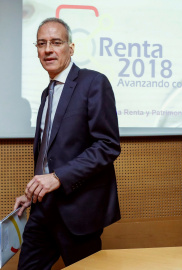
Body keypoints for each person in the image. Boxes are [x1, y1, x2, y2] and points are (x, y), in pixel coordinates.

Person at [13, 17, 121, 269]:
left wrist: (58, 177)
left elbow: (107, 145)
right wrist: (34, 191)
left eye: (56, 42)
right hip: (42, 210)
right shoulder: (46, 93)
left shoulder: (94, 83)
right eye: (41, 43)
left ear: (70, 48)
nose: (48, 49)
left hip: (78, 212)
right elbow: (50, 154)